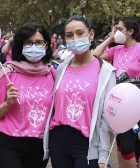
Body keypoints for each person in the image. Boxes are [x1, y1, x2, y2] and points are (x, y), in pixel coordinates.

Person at [43, 15, 116, 168]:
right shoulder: (62, 68)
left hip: (88, 145)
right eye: (69, 35)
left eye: (80, 33)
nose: (75, 38)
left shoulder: (106, 72)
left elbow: (107, 118)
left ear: (91, 34)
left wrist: (103, 155)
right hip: (59, 142)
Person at [0, 23, 55, 168]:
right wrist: (7, 104)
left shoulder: (52, 73)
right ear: (21, 46)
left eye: (38, 42)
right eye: (28, 43)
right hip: (8, 145)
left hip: (39, 146)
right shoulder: (9, 72)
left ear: (46, 45)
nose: (33, 46)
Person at [93, 16, 140, 168]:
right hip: (118, 105)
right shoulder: (117, 50)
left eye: (120, 29)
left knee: (127, 147)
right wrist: (110, 38)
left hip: (135, 105)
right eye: (116, 28)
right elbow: (95, 55)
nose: (116, 31)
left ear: (131, 32)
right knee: (122, 145)